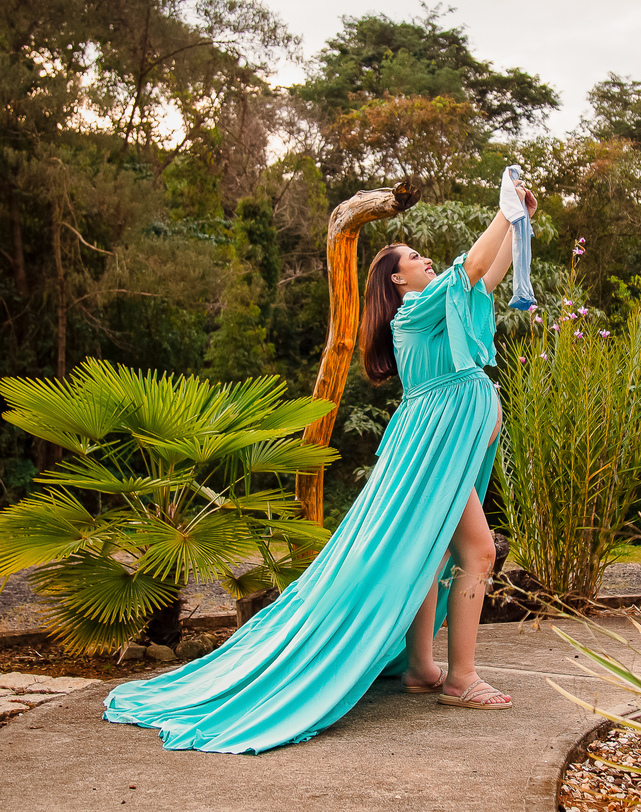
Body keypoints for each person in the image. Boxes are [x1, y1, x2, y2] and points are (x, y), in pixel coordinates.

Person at [102, 181, 536, 754]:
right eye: (413, 257)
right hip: (434, 446)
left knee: (430, 552)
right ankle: (461, 678)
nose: (425, 259)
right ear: (396, 281)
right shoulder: (414, 313)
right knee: (476, 552)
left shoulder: (438, 308)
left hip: (443, 444)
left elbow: (485, 278)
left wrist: (518, 224)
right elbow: (471, 267)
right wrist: (502, 214)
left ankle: (421, 668)